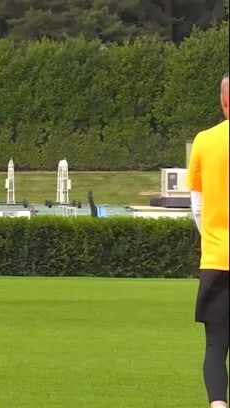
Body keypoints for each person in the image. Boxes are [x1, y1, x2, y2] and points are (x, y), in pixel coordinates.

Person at [187, 72, 229, 408]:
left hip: (217, 260)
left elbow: (197, 206)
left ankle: (217, 405)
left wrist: (213, 239)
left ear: (224, 100)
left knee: (216, 345)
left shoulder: (204, 140)